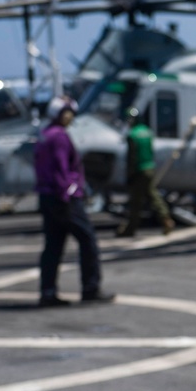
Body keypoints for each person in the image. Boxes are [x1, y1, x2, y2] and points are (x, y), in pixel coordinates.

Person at [33, 95, 114, 307]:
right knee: (87, 240)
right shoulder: (60, 137)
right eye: (68, 112)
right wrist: (70, 192)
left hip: (47, 196)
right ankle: (91, 287)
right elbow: (62, 168)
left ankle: (47, 292)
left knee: (53, 246)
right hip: (64, 198)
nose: (71, 117)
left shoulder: (44, 134)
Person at [116, 107, 175, 238]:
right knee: (153, 195)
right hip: (149, 168)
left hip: (138, 170)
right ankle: (165, 219)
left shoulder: (132, 135)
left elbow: (131, 158)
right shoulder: (148, 132)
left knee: (136, 201)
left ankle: (131, 228)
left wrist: (129, 175)